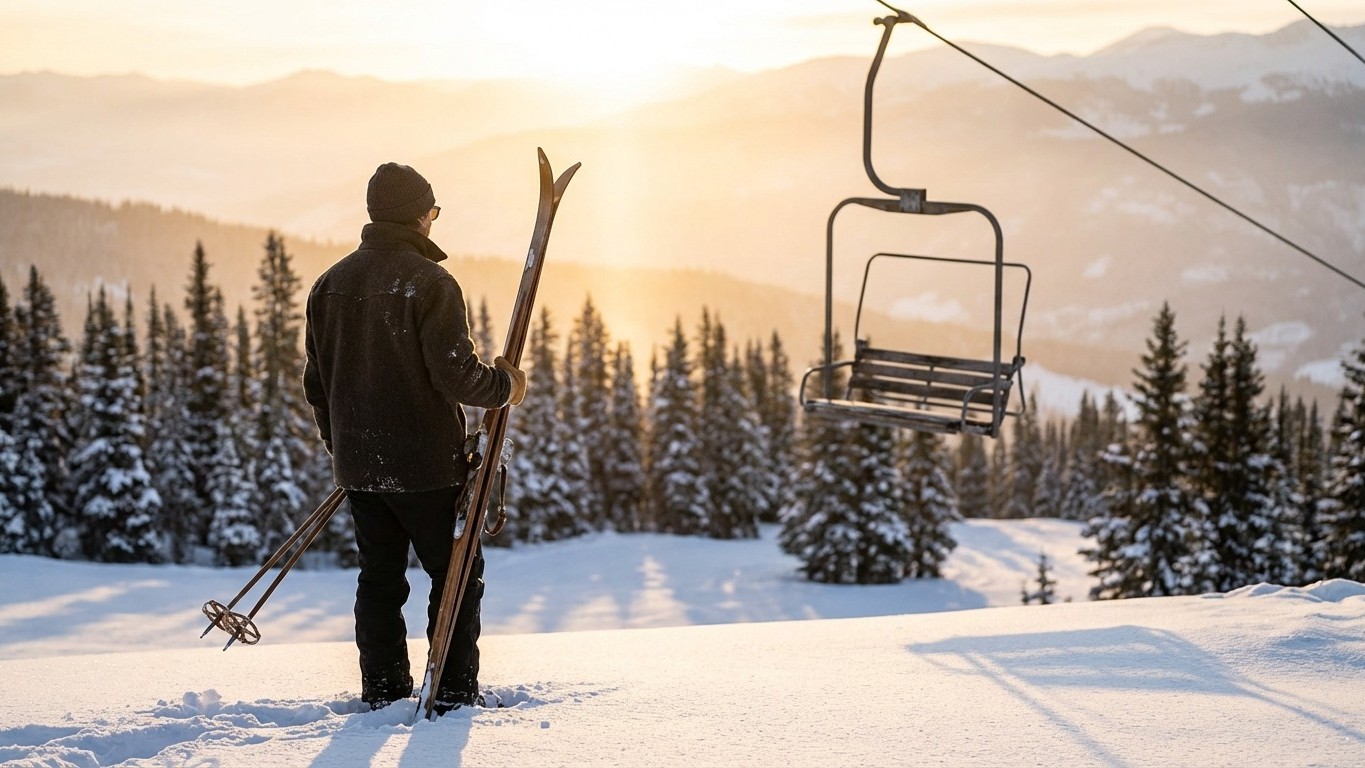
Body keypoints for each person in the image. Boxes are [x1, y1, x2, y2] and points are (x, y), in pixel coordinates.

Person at [302, 162, 526, 712]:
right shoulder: (430, 283)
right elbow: (457, 376)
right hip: (426, 466)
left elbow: (317, 384)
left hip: (360, 468)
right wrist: (507, 387)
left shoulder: (329, 284)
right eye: (433, 208)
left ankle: (383, 692)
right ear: (419, 215)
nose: (434, 218)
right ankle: (450, 694)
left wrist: (342, 449)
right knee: (455, 576)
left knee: (379, 579)